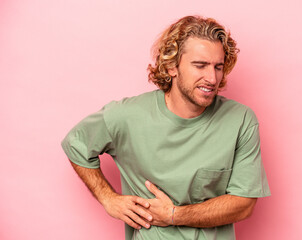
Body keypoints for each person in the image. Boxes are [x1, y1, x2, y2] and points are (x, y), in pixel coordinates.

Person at [61, 15, 270, 240]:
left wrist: (173, 215)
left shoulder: (241, 120)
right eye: (200, 65)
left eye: (218, 67)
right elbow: (76, 143)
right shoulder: (128, 116)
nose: (212, 78)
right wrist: (108, 198)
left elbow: (244, 204)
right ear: (172, 66)